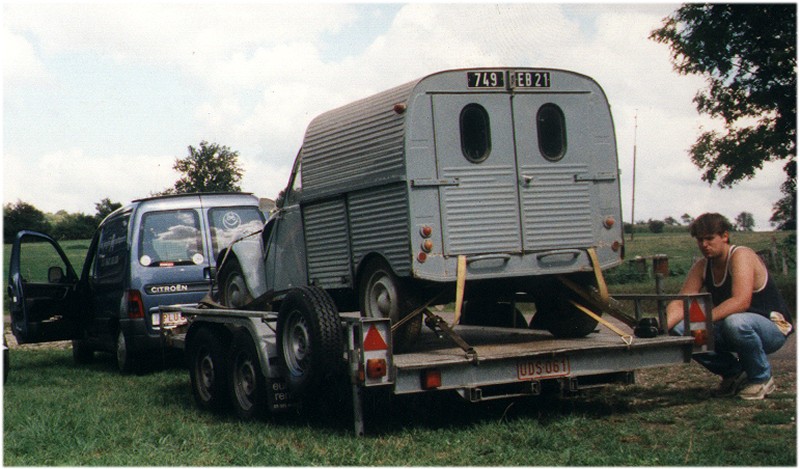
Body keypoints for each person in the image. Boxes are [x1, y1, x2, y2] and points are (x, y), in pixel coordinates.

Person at [665, 212, 793, 400]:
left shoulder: (741, 255)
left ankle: (761, 379)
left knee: (733, 322)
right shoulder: (702, 266)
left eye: (710, 238)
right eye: (700, 240)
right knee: (681, 329)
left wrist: (702, 322)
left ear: (725, 236)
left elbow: (741, 302)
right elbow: (680, 303)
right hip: (732, 326)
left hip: (771, 327)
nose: (704, 245)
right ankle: (734, 373)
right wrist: (660, 328)